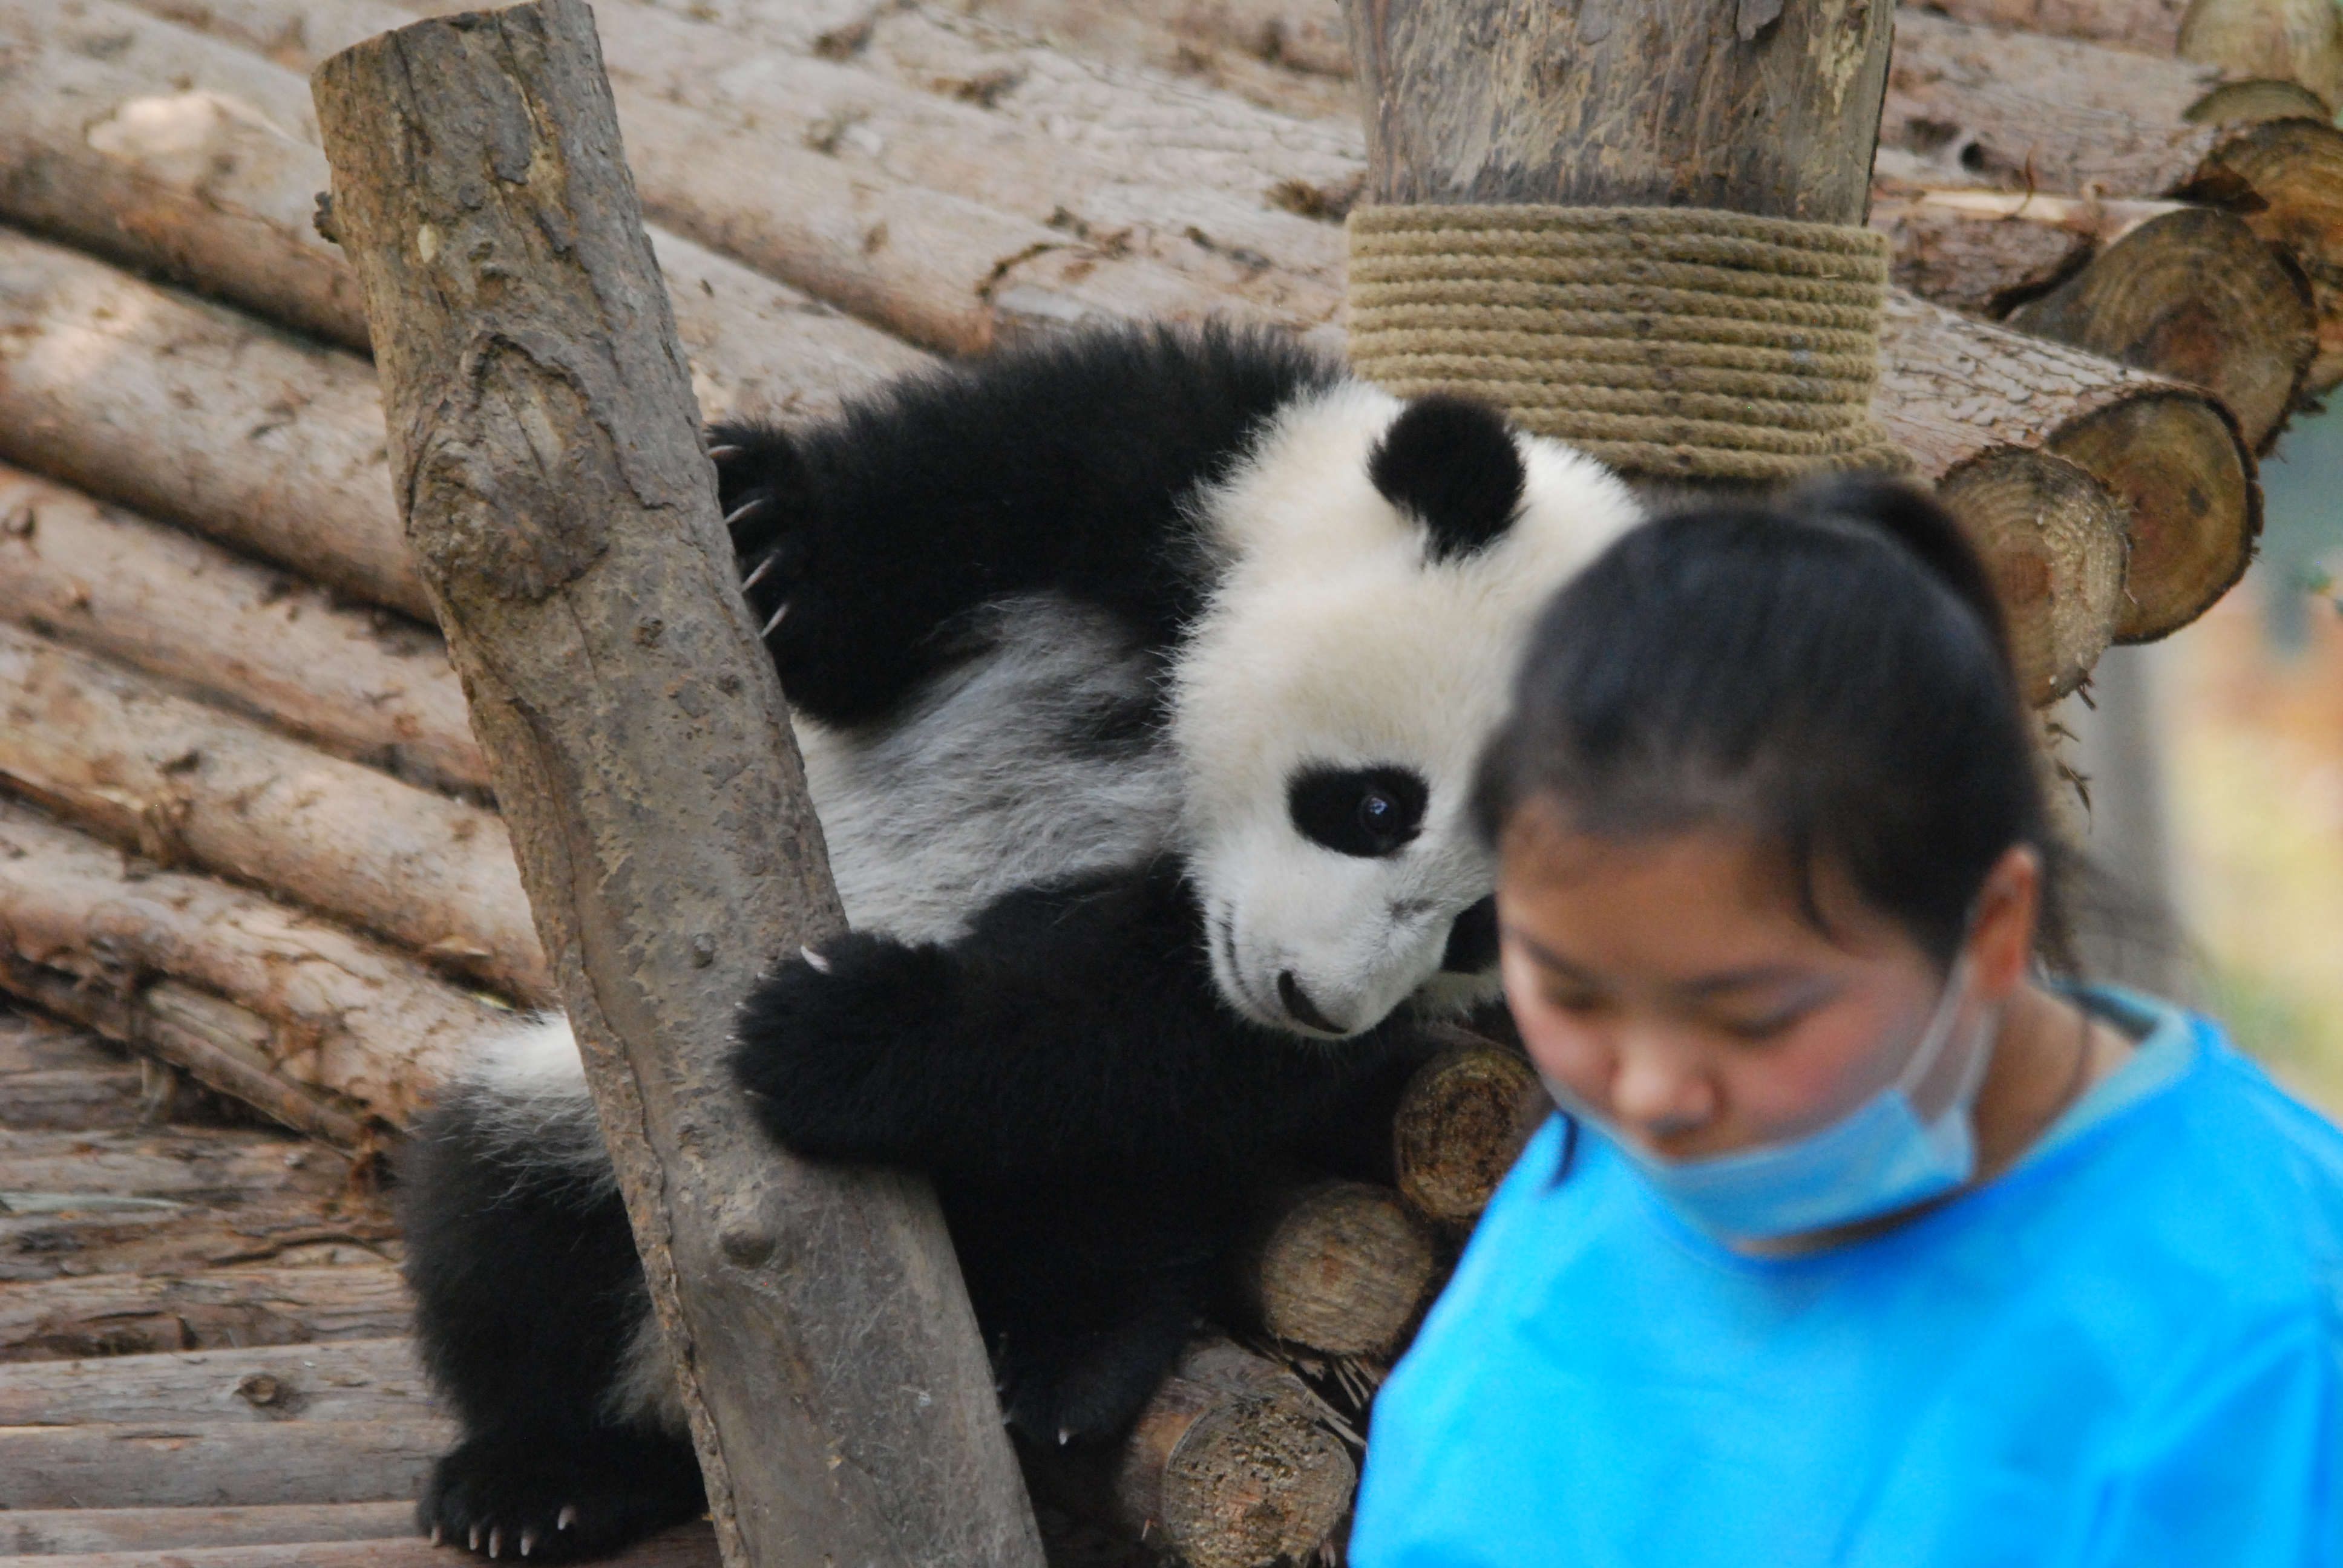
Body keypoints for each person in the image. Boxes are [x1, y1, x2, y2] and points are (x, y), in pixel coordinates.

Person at [1348, 476, 2343, 1567]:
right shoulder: (1605, 1177)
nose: (1648, 1093)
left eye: (1753, 1020)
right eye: (1571, 992)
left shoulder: (2270, 1319)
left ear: (1994, 926)